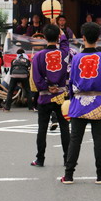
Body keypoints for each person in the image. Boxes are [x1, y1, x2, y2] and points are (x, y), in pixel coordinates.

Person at [62, 22, 101, 185]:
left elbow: (71, 81)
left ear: (83, 38)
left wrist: (71, 97)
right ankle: (100, 175)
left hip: (79, 101)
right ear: (98, 38)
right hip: (97, 101)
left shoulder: (76, 58)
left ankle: (69, 175)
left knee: (75, 139)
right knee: (99, 139)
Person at [31, 24, 71, 167]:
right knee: (65, 128)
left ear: (44, 37)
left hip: (45, 96)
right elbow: (66, 44)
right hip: (61, 96)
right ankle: (67, 158)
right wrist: (62, 34)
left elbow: (36, 78)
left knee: (42, 129)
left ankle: (40, 158)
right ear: (57, 37)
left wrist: (47, 86)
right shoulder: (64, 53)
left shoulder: (38, 56)